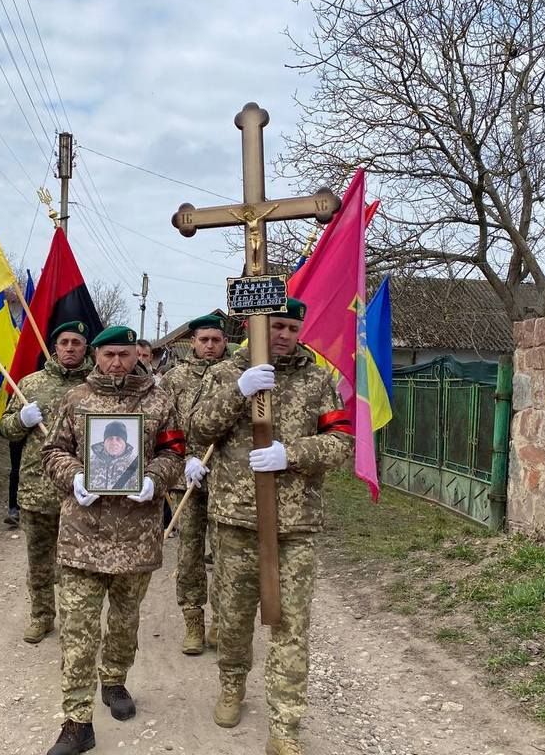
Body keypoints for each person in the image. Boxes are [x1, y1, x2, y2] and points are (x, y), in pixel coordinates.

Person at [191, 299, 351, 755]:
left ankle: (285, 725)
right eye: (275, 325)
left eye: (291, 327)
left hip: (295, 521)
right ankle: (231, 684)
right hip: (236, 517)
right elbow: (199, 429)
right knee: (234, 616)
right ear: (254, 325)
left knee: (291, 626)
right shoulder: (225, 371)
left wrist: (293, 454)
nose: (283, 334)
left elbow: (340, 441)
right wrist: (237, 390)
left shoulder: (317, 379)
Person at [41, 325, 184, 755]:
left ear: (136, 355)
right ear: (96, 356)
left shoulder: (159, 400)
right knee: (78, 629)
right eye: (108, 355)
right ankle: (76, 721)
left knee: (124, 622)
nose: (116, 362)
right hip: (83, 535)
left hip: (136, 534)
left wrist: (155, 480)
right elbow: (53, 452)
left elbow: (175, 451)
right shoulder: (75, 399)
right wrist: (75, 477)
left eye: (124, 354)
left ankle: (115, 680)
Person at [1, 321, 93, 644]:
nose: (70, 348)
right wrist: (21, 419)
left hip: (80, 493)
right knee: (39, 560)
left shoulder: (96, 386)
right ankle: (41, 616)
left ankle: (74, 619)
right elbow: (7, 430)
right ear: (54, 347)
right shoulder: (30, 384)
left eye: (76, 343)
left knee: (77, 564)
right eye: (64, 342)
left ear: (86, 348)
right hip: (36, 490)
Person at [158, 313, 229, 655]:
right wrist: (183, 457)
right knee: (189, 550)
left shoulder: (237, 375)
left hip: (229, 478)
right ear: (194, 343)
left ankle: (221, 620)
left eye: (216, 340)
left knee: (227, 551)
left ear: (225, 342)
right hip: (184, 477)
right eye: (204, 340)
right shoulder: (174, 378)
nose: (210, 346)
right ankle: (192, 619)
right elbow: (166, 425)